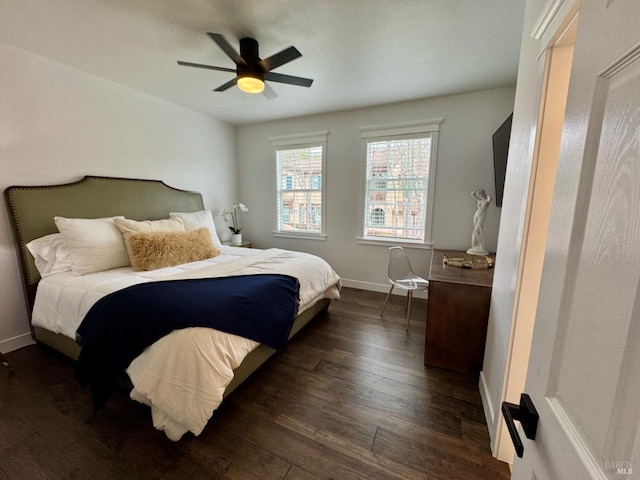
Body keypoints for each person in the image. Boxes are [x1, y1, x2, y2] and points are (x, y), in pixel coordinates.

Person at [467, 188, 492, 255]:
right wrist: (478, 189)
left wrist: (486, 196)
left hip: (482, 216)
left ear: (482, 194)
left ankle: (481, 246)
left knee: (478, 231)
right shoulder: (479, 200)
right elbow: (472, 194)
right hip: (476, 215)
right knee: (475, 230)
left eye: (479, 194)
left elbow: (490, 199)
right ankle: (475, 245)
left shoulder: (486, 201)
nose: (478, 196)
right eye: (478, 195)